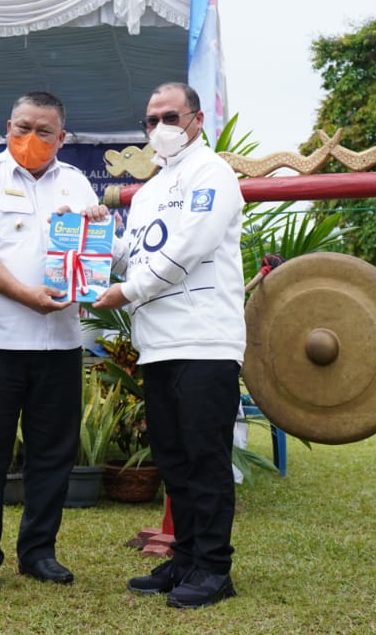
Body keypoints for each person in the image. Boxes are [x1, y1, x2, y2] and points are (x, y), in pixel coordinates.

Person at [93, 82, 245, 609]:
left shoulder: (213, 173)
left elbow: (188, 249)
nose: (160, 127)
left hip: (205, 341)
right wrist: (100, 239)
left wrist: (125, 291)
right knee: (174, 460)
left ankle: (214, 568)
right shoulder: (150, 191)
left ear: (196, 120)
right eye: (151, 119)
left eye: (170, 117)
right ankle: (185, 559)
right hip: (157, 344)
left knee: (205, 459)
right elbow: (136, 257)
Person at [0, 91, 98, 591]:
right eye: (22, 127)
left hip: (60, 343)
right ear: (7, 126)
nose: (30, 138)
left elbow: (94, 253)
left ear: (62, 137)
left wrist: (98, 249)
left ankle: (39, 552)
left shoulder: (76, 182)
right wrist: (25, 295)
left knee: (53, 454)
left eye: (43, 131)